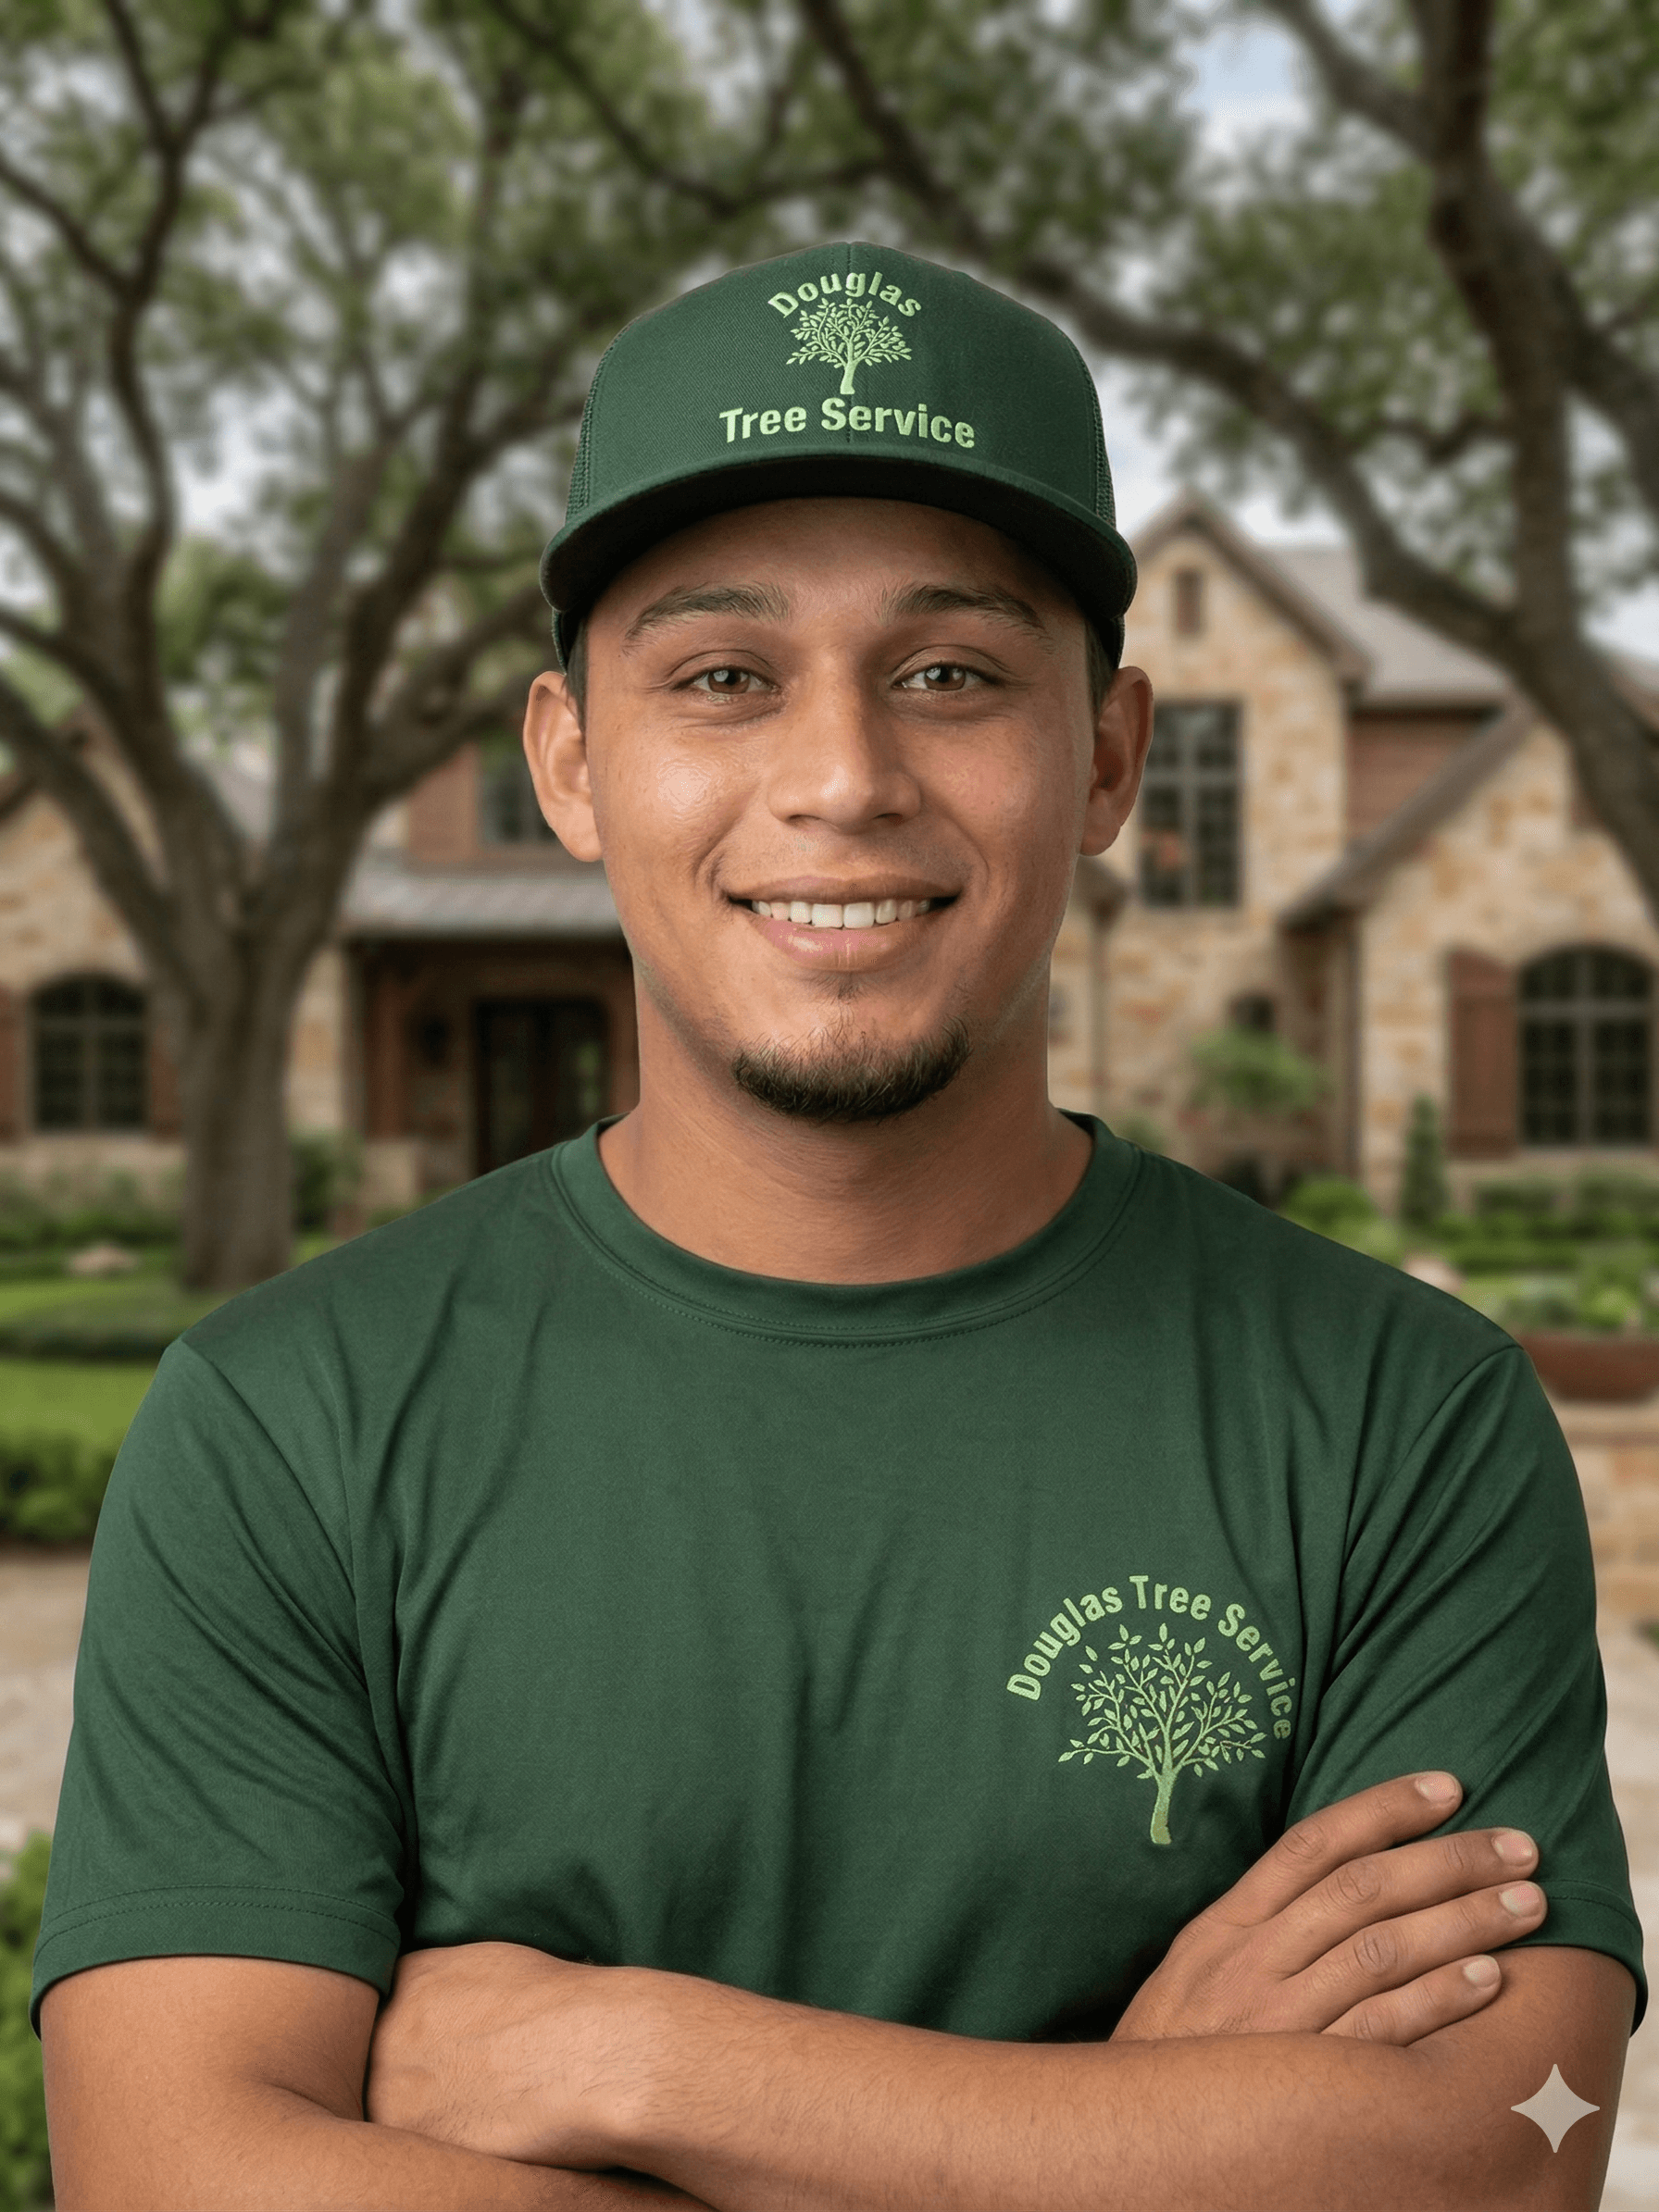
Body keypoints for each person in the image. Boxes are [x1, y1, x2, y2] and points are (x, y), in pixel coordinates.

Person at [36, 242, 1643, 2211]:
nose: (839, 779)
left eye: (949, 675)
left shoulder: (1398, 1416)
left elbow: (1493, 2168)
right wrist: (1127, 2127)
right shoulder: (289, 1422)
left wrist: (623, 2059)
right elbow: (173, 2178)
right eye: (721, 678)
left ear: (1111, 754)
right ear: (567, 763)